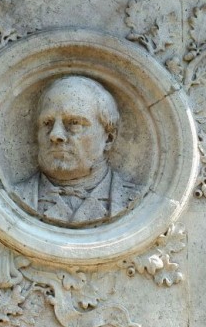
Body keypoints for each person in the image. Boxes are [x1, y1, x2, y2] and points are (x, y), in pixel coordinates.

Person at [11, 75, 141, 228]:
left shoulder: (132, 200)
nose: (55, 135)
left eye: (74, 123)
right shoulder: (16, 197)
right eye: (47, 123)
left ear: (109, 138)